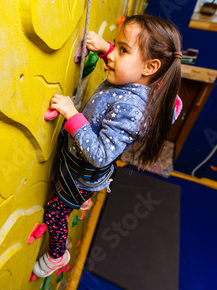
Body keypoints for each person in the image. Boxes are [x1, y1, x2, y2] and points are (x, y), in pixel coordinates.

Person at [32, 15, 183, 278]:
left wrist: (72, 114)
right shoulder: (135, 81)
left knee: (55, 214)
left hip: (81, 176)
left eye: (123, 49)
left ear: (150, 67)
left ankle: (57, 255)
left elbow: (101, 155)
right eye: (117, 45)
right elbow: (127, 69)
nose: (114, 54)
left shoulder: (132, 109)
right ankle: (81, 201)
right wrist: (106, 50)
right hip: (76, 167)